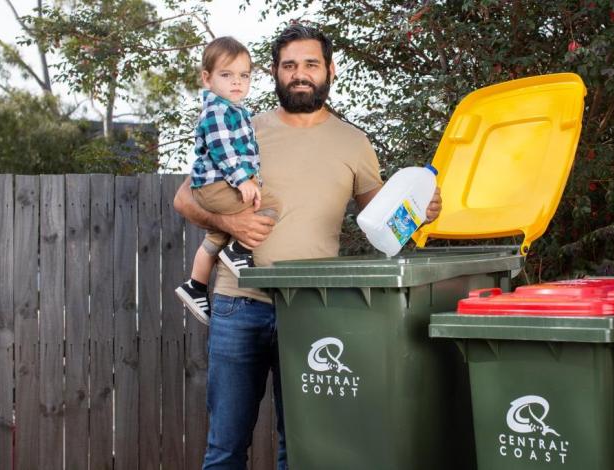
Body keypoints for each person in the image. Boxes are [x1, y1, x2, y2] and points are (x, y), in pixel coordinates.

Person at [174, 25, 442, 470]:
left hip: (313, 310)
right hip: (239, 305)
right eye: (289, 65)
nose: (300, 74)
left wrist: (421, 207)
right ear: (276, 74)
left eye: (310, 64)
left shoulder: (354, 143)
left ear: (329, 70)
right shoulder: (242, 126)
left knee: (301, 447)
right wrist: (228, 221)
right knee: (225, 447)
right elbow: (185, 197)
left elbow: (384, 220)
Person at [175, 36, 281, 326]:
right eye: (227, 75)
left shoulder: (232, 110)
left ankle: (195, 285)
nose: (237, 82)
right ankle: (240, 250)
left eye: (244, 76)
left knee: (217, 235)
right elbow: (223, 150)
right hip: (216, 185)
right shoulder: (219, 111)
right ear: (207, 79)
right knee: (271, 203)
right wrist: (244, 180)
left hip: (213, 186)